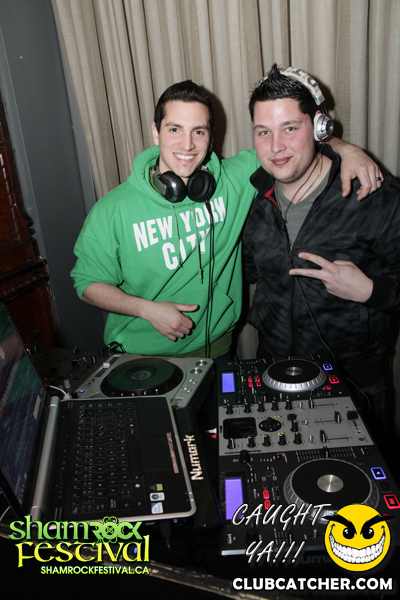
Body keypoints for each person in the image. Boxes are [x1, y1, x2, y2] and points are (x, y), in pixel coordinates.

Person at [71, 79, 382, 360]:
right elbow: (87, 284)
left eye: (199, 131)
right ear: (156, 132)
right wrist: (147, 309)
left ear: (211, 137)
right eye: (174, 129)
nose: (187, 144)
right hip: (141, 356)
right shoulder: (112, 209)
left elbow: (292, 144)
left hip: (219, 349)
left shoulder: (234, 178)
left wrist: (346, 149)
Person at [243, 64, 400, 431]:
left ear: (319, 128)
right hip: (272, 370)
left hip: (353, 380)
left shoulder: (373, 194)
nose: (276, 146)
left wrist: (369, 290)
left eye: (290, 128)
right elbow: (251, 272)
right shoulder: (252, 198)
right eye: (263, 132)